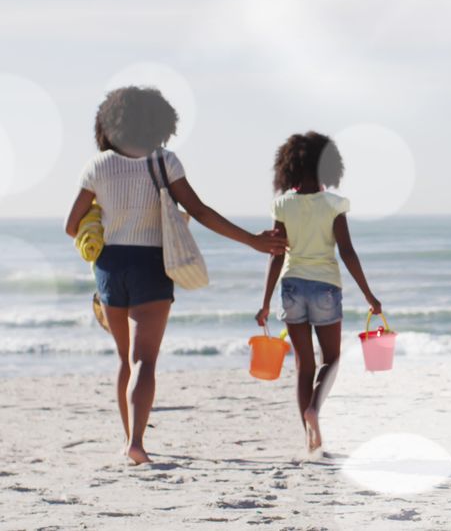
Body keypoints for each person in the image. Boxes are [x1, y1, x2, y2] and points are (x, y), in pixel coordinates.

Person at [65, 86, 287, 465]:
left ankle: (127, 440)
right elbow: (199, 212)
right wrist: (252, 240)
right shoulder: (164, 162)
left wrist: (107, 222)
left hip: (109, 266)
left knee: (124, 360)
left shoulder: (97, 166)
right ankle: (137, 441)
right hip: (151, 264)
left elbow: (72, 226)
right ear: (159, 122)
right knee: (144, 361)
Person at [255, 131, 382, 454]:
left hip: (292, 286)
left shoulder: (282, 205)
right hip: (325, 286)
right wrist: (369, 295)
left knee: (304, 365)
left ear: (290, 166)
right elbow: (347, 252)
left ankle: (310, 440)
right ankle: (315, 409)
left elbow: (277, 253)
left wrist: (265, 302)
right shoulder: (334, 204)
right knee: (333, 359)